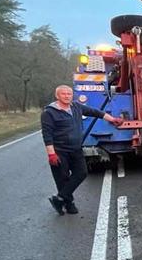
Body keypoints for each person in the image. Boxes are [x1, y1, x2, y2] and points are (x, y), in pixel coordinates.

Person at [41, 85, 123, 215]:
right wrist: (51, 154)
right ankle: (69, 204)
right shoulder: (49, 112)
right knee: (62, 178)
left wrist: (112, 119)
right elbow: (47, 134)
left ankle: (60, 198)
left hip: (76, 149)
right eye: (64, 94)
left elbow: (96, 112)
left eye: (69, 93)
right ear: (57, 96)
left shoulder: (76, 107)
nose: (67, 96)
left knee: (82, 173)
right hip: (59, 151)